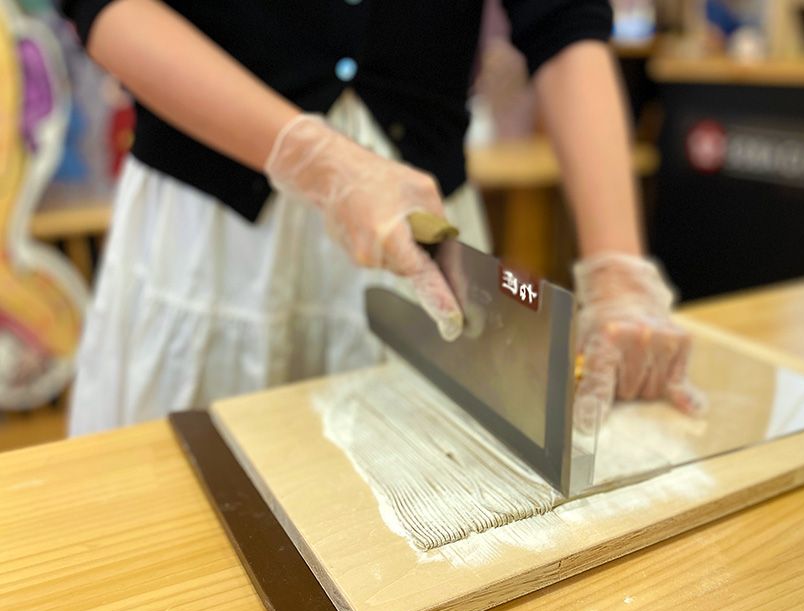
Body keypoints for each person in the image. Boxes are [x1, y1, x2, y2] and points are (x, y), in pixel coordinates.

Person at [60, 0, 703, 437]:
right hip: (212, 237)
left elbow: (563, 20)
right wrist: (313, 159)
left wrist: (618, 269)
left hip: (424, 236)